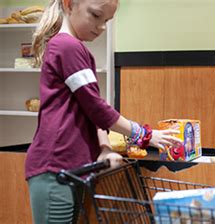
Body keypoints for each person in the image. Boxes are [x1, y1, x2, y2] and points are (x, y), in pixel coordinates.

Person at [25, 0, 181, 223]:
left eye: (107, 20)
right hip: (54, 168)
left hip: (70, 168)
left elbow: (90, 109)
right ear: (69, 5)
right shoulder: (66, 47)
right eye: (96, 16)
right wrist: (145, 135)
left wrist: (104, 147)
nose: (102, 27)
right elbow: (98, 109)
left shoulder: (75, 49)